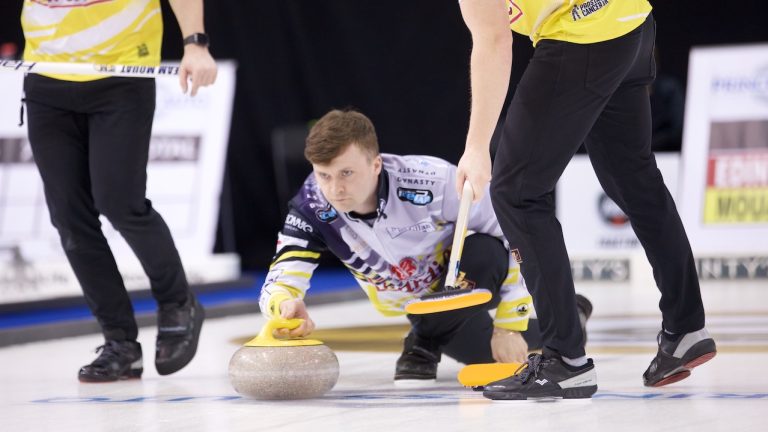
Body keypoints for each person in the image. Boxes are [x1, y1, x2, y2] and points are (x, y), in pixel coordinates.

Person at [454, 1, 716, 400]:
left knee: (517, 193)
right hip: (631, 22)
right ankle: (686, 327)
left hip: (581, 37)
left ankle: (565, 360)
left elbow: (493, 39)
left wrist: (476, 148)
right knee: (635, 179)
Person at [258, 109, 593, 383]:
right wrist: (284, 304)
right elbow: (283, 272)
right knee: (482, 353)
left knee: (487, 250)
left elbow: (515, 233)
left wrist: (509, 324)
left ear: (376, 165)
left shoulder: (432, 181)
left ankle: (422, 341)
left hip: (460, 283)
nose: (335, 189)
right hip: (409, 303)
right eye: (324, 175)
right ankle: (572, 318)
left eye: (346, 173)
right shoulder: (311, 205)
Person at [21, 0, 217, 382]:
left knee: (119, 202)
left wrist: (195, 43)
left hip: (121, 73)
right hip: (46, 77)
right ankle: (120, 343)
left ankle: (179, 303)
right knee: (70, 218)